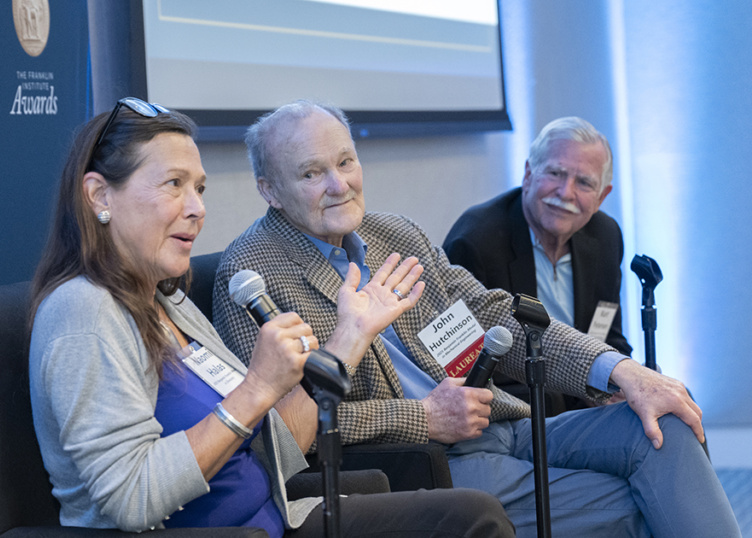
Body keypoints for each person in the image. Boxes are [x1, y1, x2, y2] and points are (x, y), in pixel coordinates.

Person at [212, 100, 740, 537]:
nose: (339, 184)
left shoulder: (396, 233)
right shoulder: (253, 275)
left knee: (665, 421)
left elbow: (494, 314)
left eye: (346, 162)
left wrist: (622, 370)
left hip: (503, 423)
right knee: (642, 502)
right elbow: (280, 432)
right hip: (426, 459)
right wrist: (425, 418)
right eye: (311, 173)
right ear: (269, 189)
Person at [28, 97, 514, 537]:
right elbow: (131, 499)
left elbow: (284, 455)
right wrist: (258, 388)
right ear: (99, 196)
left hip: (278, 516)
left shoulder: (164, 301)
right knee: (476, 520)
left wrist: (349, 337)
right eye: (174, 185)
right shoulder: (83, 311)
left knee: (471, 514)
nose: (197, 209)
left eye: (199, 188)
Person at [443, 116, 630, 356]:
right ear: (529, 175)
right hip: (511, 390)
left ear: (601, 197)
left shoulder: (606, 236)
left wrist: (623, 378)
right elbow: (464, 360)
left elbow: (607, 336)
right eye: (555, 173)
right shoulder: (475, 243)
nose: (565, 193)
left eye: (584, 182)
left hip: (584, 389)